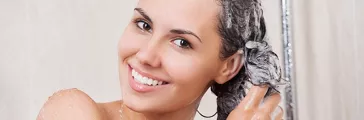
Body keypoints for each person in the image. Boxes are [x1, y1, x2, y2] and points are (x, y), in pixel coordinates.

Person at [37, 0, 284, 119]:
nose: (145, 55)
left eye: (181, 42)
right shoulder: (72, 112)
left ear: (229, 66)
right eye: (143, 25)